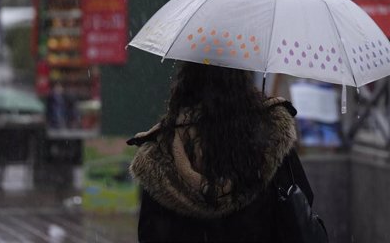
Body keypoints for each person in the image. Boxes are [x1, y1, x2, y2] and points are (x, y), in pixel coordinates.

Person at [128, 61, 327, 242]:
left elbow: (150, 233)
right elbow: (301, 205)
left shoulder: (161, 153)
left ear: (184, 86)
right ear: (243, 84)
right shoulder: (271, 138)